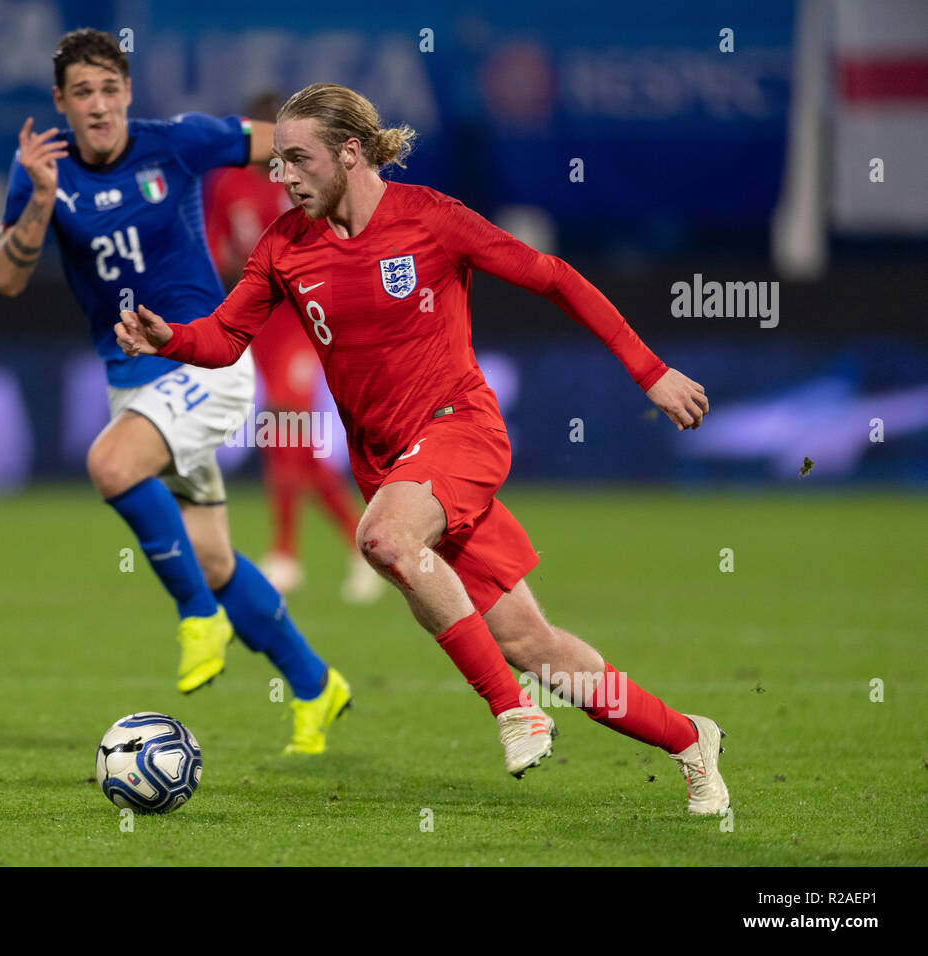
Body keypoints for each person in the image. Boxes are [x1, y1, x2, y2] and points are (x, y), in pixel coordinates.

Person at [116, 83, 730, 813]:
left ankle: (511, 710)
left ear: (350, 152)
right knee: (538, 648)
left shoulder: (430, 219)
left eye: (298, 160)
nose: (282, 177)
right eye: (276, 162)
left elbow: (554, 278)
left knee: (383, 539)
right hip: (395, 466)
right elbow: (225, 337)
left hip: (460, 431)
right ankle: (691, 739)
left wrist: (650, 371)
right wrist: (172, 340)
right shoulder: (285, 245)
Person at [0, 33, 349, 755]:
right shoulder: (41, 170)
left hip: (208, 363)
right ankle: (315, 685)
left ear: (128, 91)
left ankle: (196, 617)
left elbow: (277, 141)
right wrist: (38, 201)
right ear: (61, 104)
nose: (98, 106)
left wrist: (333, 190)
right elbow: (6, 276)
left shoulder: (178, 143)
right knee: (215, 560)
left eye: (109, 89)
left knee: (111, 467)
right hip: (134, 387)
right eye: (82, 93)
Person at [204, 92, 383, 603]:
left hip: (307, 321)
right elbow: (216, 249)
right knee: (287, 438)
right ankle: (362, 545)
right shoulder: (228, 183)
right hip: (259, 325)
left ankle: (286, 554)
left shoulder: (308, 183)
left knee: (286, 420)